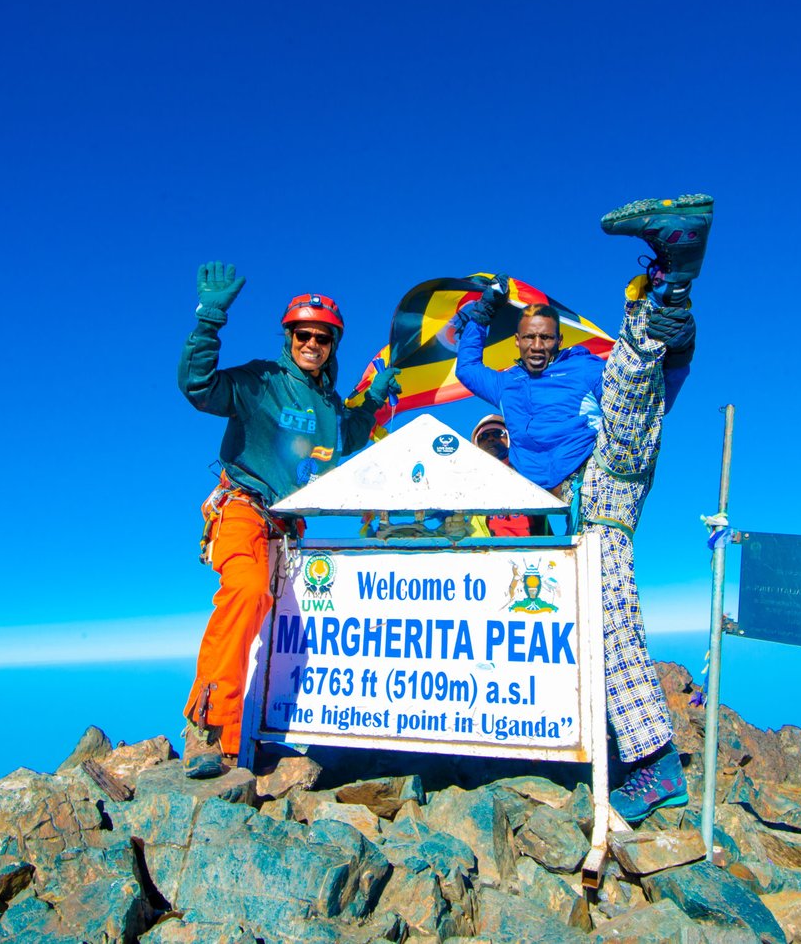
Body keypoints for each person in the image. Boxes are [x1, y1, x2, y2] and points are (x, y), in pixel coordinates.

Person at [453, 194, 710, 824]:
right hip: (560, 508)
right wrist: (480, 315)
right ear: (518, 341)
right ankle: (669, 287)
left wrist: (678, 352)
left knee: (630, 390)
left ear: (558, 337)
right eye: (529, 337)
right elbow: (465, 363)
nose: (539, 345)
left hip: (600, 478)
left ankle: (669, 291)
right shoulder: (507, 380)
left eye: (547, 337)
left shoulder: (584, 368)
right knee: (592, 613)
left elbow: (650, 395)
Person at [178, 261, 400, 779]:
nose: (313, 344)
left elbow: (348, 436)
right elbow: (198, 387)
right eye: (304, 334)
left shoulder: (327, 404)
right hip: (243, 510)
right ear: (289, 335)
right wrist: (209, 318)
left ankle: (259, 733)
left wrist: (371, 398)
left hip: (289, 533)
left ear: (333, 345)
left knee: (291, 627)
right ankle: (210, 730)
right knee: (248, 593)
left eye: (323, 337)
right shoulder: (261, 381)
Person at [469, 414, 546, 537]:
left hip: (534, 550)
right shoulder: (469, 479)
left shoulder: (529, 471)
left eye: (498, 434)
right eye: (483, 436)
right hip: (485, 551)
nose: (490, 439)